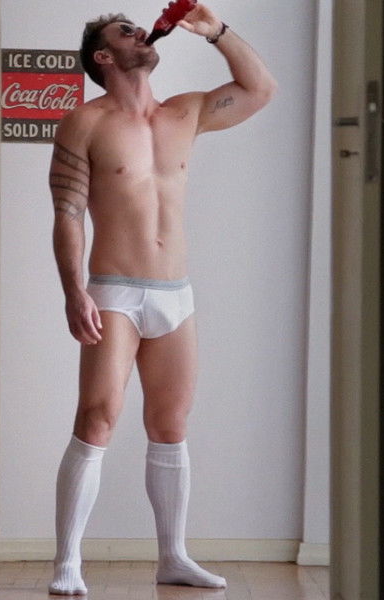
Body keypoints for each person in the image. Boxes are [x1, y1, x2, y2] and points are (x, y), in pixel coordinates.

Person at [48, 3, 277, 595]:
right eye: (124, 31)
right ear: (104, 56)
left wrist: (215, 31)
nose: (139, 32)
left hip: (175, 293)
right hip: (115, 291)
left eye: (137, 27)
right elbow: (68, 213)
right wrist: (73, 291)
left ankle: (173, 556)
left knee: (170, 423)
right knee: (98, 417)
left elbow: (260, 88)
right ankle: (67, 562)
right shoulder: (84, 122)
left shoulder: (186, 111)